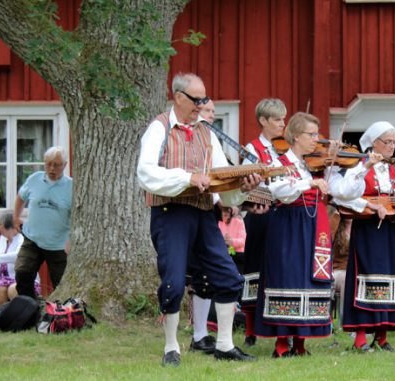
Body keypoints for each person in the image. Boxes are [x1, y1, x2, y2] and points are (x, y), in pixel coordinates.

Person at [137, 72, 259, 367]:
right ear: (178, 97)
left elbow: (219, 180)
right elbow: (146, 174)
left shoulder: (206, 132)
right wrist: (187, 177)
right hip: (171, 213)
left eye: (204, 99)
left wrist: (241, 187)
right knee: (174, 281)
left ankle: (225, 345)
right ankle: (171, 348)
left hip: (204, 213)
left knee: (229, 277)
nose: (202, 105)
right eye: (197, 100)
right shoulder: (159, 128)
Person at [254, 112, 374, 358]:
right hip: (289, 227)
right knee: (286, 278)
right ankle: (280, 344)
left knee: (310, 279)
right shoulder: (280, 163)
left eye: (317, 135)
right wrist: (308, 184)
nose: (317, 141)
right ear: (296, 136)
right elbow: (279, 191)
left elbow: (345, 193)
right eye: (311, 135)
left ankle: (300, 343)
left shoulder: (316, 167)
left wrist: (364, 168)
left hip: (315, 228)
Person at [333, 121, 395, 352]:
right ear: (372, 143)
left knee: (390, 279)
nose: (392, 146)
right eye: (387, 142)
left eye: (394, 142)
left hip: (391, 230)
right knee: (365, 278)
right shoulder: (357, 166)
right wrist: (369, 204)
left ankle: (382, 336)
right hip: (367, 229)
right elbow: (342, 197)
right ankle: (359, 338)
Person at [240, 98, 287, 346]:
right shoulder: (252, 149)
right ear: (263, 121)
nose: (283, 124)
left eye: (283, 118)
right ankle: (249, 328)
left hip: (282, 215)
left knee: (280, 269)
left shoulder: (284, 150)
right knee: (255, 268)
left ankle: (280, 323)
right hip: (261, 215)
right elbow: (246, 186)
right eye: (278, 119)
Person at [13, 146, 72, 299]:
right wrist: (16, 218)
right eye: (48, 164)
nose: (51, 168)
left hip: (58, 244)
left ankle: (59, 314)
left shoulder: (71, 186)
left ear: (64, 165)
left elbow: (78, 216)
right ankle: (31, 309)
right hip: (32, 239)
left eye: (57, 165)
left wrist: (71, 240)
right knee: (22, 274)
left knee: (61, 284)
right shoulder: (34, 179)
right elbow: (21, 197)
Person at [186, 99, 219, 355]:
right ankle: (197, 333)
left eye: (213, 112)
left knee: (206, 273)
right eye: (207, 110)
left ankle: (202, 333)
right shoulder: (187, 139)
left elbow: (220, 173)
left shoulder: (211, 137)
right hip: (185, 208)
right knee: (193, 272)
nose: (210, 115)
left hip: (209, 208)